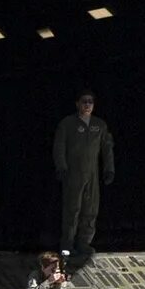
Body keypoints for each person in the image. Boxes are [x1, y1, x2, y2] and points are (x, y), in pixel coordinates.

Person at [51, 90, 114, 260]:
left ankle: (84, 242)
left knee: (91, 209)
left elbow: (107, 148)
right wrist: (61, 167)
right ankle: (67, 244)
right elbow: (59, 146)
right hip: (73, 173)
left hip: (92, 173)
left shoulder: (99, 125)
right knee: (72, 209)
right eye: (84, 101)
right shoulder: (68, 123)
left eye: (90, 102)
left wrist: (109, 169)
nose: (87, 105)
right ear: (77, 103)